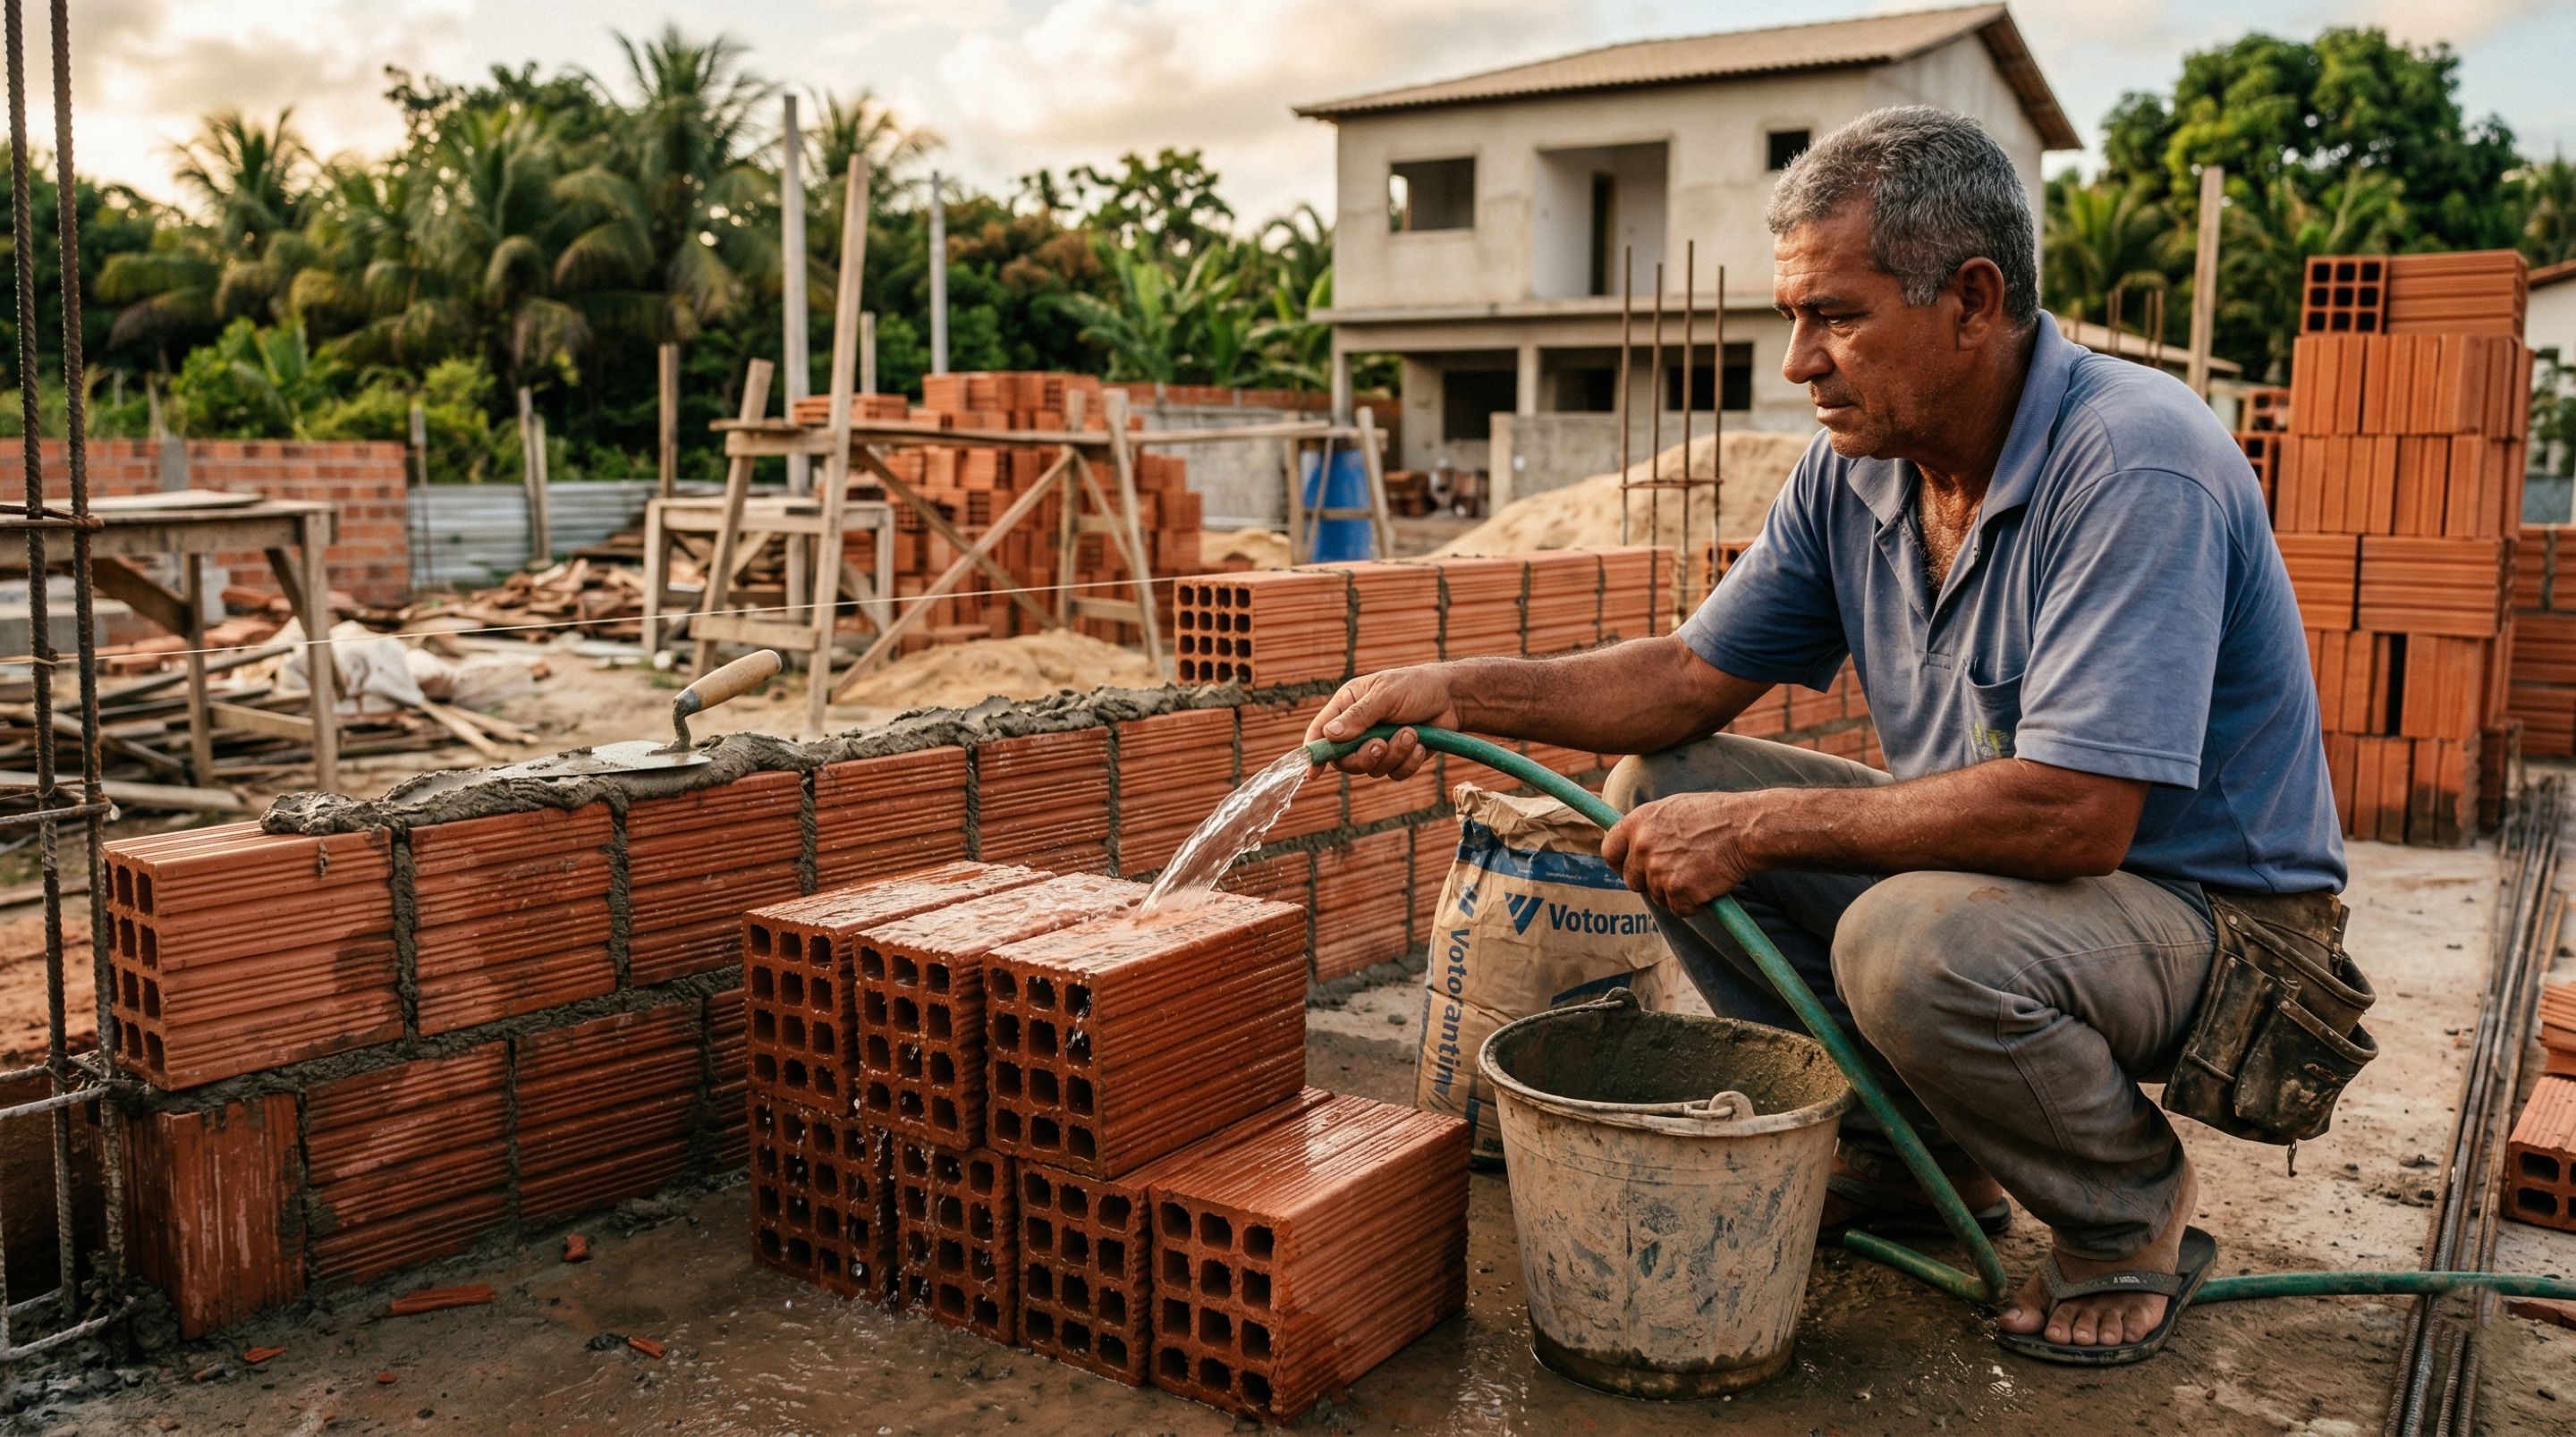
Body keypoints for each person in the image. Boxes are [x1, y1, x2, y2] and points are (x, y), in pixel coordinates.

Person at [1308, 105, 2347, 1365]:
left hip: (2218, 927)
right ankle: (1905, 1158)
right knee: (1660, 782)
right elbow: (1686, 681)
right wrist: (1454, 693)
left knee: (1906, 942)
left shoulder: (2133, 460)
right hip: (2027, 883)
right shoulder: (1860, 469)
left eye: (1837, 317)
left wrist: (1758, 827)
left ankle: (2129, 1220)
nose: (1800, 362)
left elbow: (2081, 815)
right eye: (1793, 318)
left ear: (1972, 300)